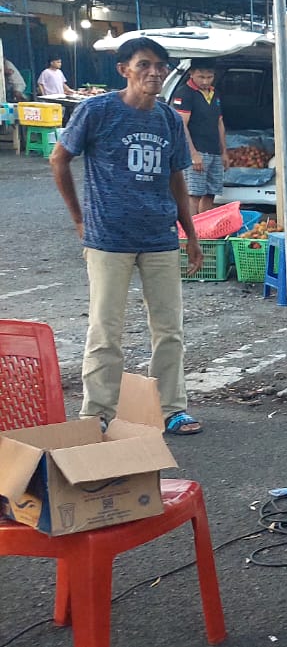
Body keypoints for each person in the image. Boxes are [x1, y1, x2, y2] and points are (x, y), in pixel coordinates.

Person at [48, 37, 205, 435]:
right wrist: (78, 219)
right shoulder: (97, 111)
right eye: (144, 65)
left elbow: (176, 180)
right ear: (124, 70)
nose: (154, 72)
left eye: (160, 66)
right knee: (105, 329)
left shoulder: (168, 119)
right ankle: (96, 413)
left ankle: (172, 409)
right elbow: (59, 159)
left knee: (169, 329)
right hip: (108, 238)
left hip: (159, 237)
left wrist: (191, 233)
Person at [170, 59, 227, 214]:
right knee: (194, 194)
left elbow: (219, 122)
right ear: (191, 73)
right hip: (197, 151)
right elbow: (181, 127)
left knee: (211, 193)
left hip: (214, 151)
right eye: (201, 77)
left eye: (209, 77)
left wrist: (223, 151)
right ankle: (192, 232)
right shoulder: (184, 93)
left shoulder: (214, 93)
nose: (205, 81)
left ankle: (205, 230)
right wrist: (193, 154)